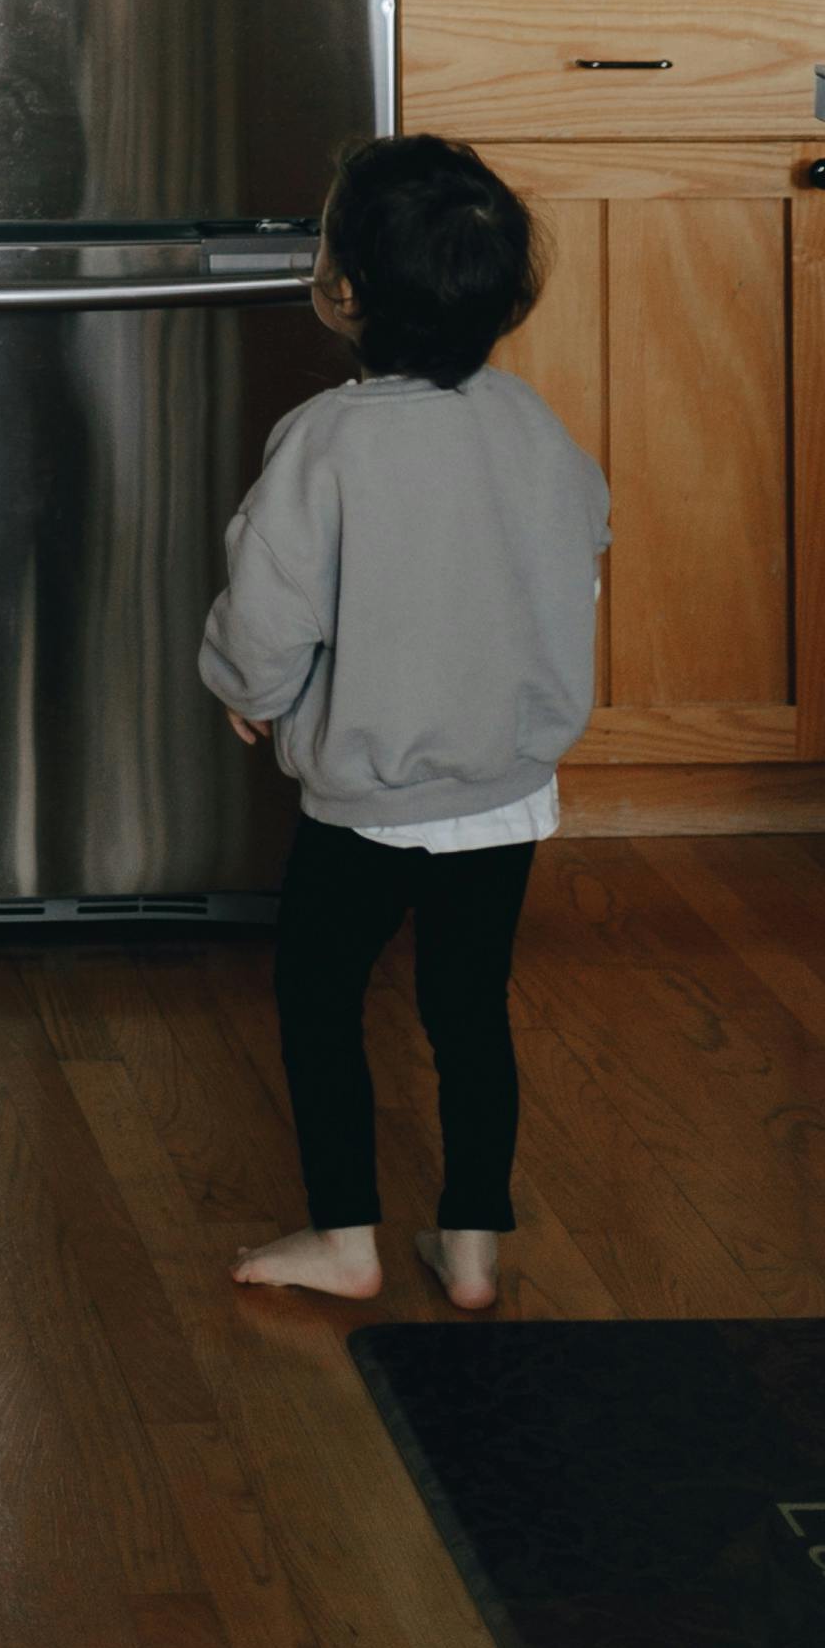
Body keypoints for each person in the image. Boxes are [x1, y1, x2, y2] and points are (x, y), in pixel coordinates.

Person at [200, 134, 606, 1311]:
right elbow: (583, 547)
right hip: (507, 788)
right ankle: (473, 1242)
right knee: (470, 1011)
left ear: (341, 292)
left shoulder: (325, 442)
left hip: (370, 800)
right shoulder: (533, 425)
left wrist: (247, 690)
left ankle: (346, 1237)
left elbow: (268, 613)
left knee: (320, 1000)